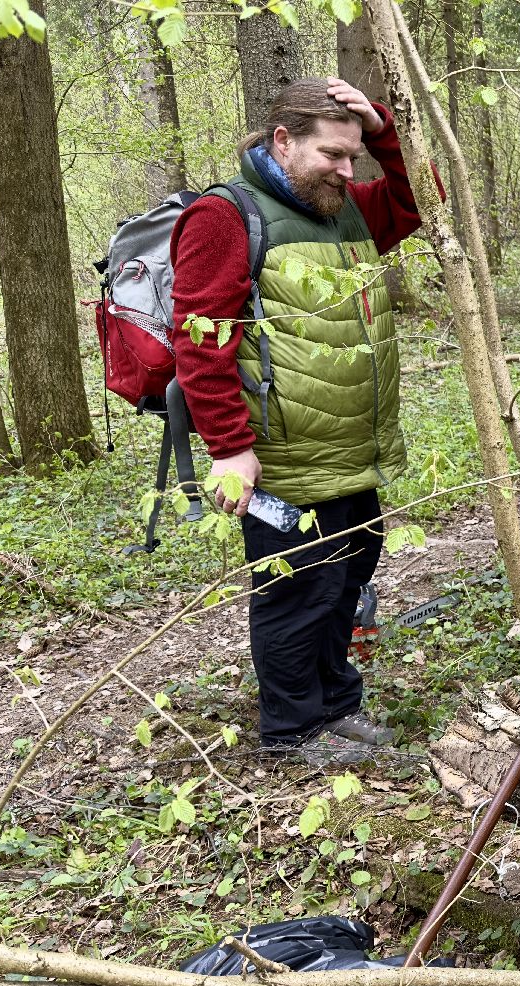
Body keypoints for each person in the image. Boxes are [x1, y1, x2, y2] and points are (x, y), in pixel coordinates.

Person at [170, 77, 426, 763]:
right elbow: (199, 341)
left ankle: (335, 706)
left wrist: (384, 133)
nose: (347, 170)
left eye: (354, 156)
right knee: (295, 593)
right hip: (280, 456)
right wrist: (229, 449)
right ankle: (293, 731)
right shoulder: (225, 217)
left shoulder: (343, 208)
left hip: (350, 448)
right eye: (332, 155)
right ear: (282, 140)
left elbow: (421, 200)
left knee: (347, 577)